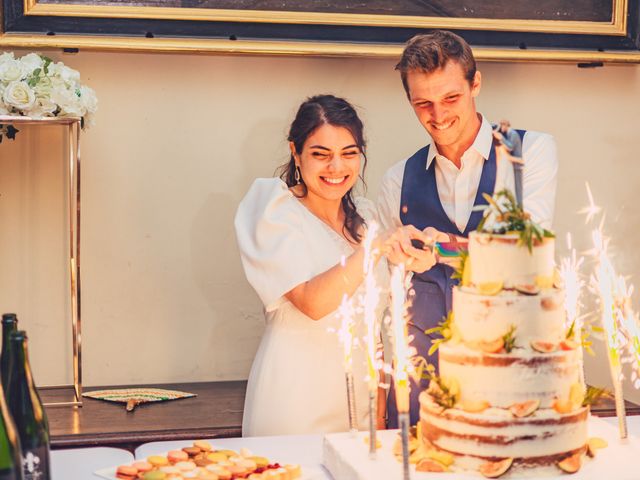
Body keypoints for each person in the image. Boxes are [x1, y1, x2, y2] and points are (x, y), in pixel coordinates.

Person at [377, 30, 558, 427]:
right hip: (422, 382)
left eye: (450, 98)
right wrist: (400, 256)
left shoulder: (529, 154)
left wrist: (441, 250)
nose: (437, 116)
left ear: (476, 83)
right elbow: (390, 287)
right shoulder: (396, 181)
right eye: (422, 103)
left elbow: (525, 249)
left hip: (509, 371)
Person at [235, 94, 429, 436]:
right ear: (296, 152)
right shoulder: (274, 209)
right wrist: (373, 249)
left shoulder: (367, 218)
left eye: (348, 154)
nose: (336, 168)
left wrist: (381, 411)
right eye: (320, 155)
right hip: (296, 397)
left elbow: (375, 329)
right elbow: (313, 302)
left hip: (362, 405)